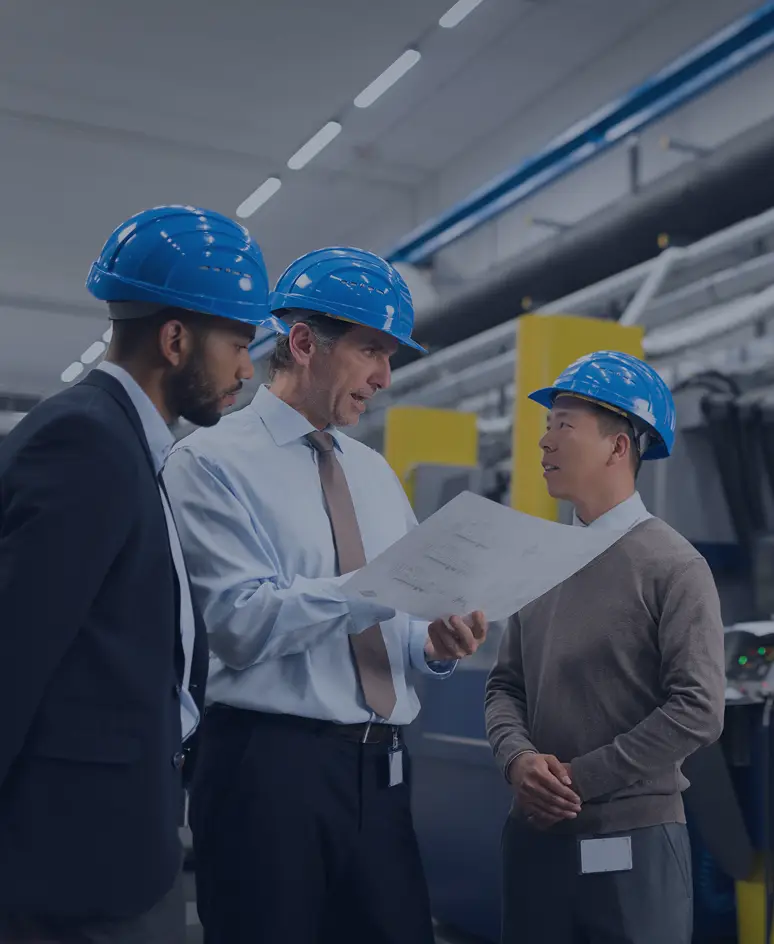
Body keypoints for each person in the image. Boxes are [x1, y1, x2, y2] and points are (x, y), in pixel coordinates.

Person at [163, 245, 488, 944]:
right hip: (267, 770)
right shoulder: (209, 461)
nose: (384, 376)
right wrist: (381, 588)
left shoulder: (373, 474)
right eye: (373, 350)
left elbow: (396, 621)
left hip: (382, 770)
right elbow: (240, 623)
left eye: (392, 356)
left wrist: (431, 644)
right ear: (305, 342)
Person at [0, 204, 286, 944]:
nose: (247, 369)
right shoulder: (86, 443)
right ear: (175, 338)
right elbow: (13, 656)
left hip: (115, 847)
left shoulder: (127, 444)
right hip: (69, 874)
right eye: (237, 343)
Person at [484, 350, 726, 944]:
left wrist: (576, 780)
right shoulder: (537, 560)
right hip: (535, 837)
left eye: (563, 425)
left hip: (634, 843)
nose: (545, 442)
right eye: (548, 426)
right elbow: (504, 685)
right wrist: (518, 761)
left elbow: (698, 707)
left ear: (620, 447)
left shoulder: (674, 565)